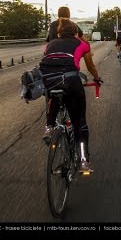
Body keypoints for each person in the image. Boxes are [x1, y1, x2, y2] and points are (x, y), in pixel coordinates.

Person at [40, 18, 102, 173]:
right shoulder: (81, 43)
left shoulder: (50, 44)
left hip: (49, 81)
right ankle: (83, 162)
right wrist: (96, 78)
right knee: (80, 122)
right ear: (75, 32)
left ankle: (49, 126)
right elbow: (90, 65)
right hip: (71, 81)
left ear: (58, 32)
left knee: (55, 93)